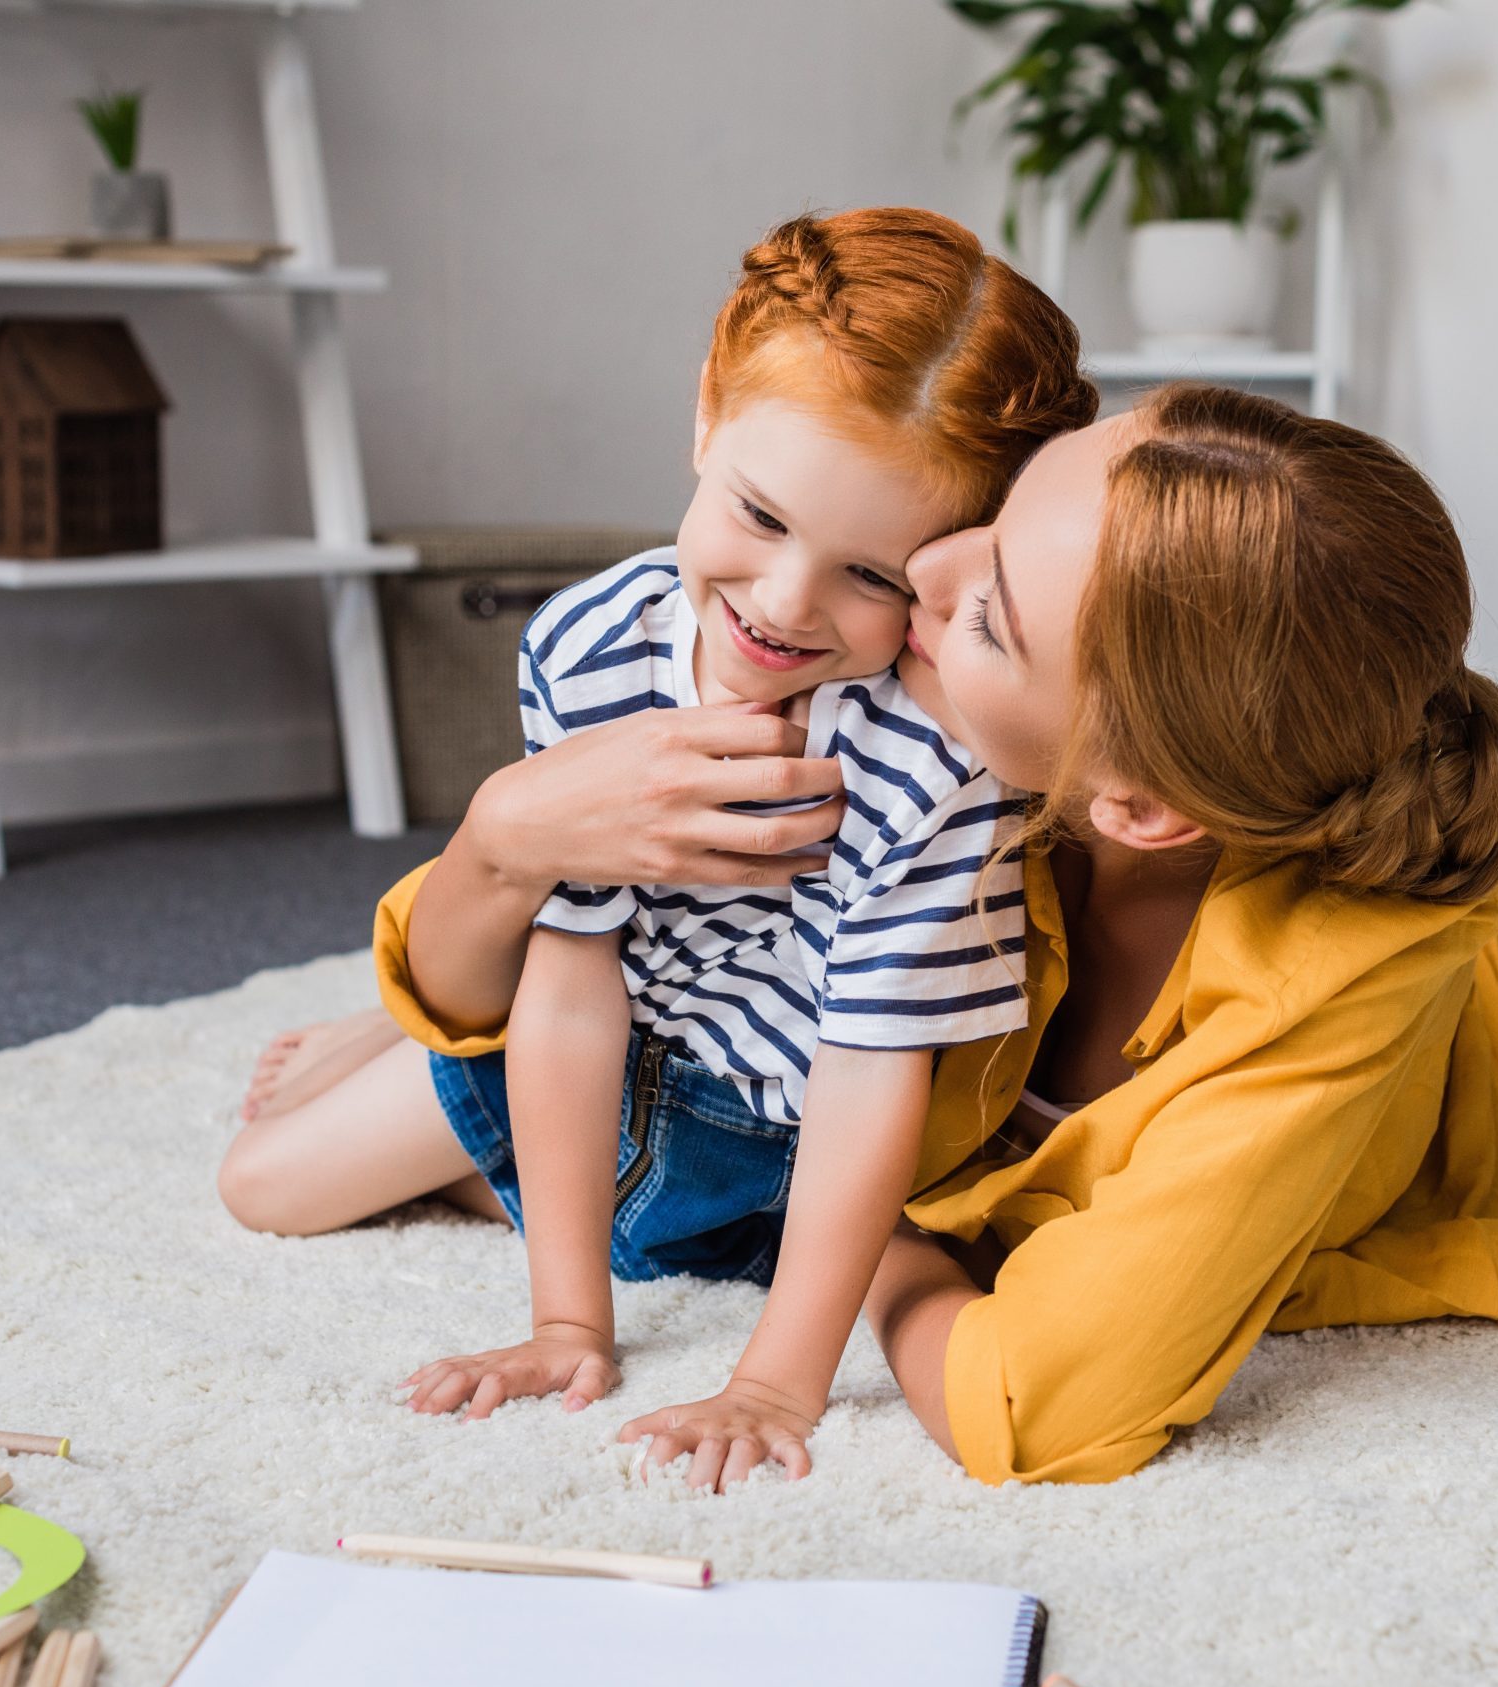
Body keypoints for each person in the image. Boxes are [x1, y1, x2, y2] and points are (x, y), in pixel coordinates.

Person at [243, 382, 1498, 1490]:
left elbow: (1041, 1407)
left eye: (982, 611)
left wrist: (874, 1248)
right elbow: (648, 939)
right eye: (997, 511)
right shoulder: (946, 728)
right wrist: (500, 846)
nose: (918, 571)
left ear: (1137, 801)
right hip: (1274, 779)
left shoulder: (1322, 991)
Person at [221, 206, 1100, 1486]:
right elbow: (572, 985)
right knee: (262, 1179)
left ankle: (503, 1141)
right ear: (706, 416)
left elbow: (870, 1080)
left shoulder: (934, 762)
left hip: (788, 1127)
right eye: (758, 513)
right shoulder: (588, 644)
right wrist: (565, 1322)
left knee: (896, 1266)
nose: (786, 605)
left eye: (874, 576)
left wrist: (772, 1384)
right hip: (611, 1036)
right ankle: (425, 1055)